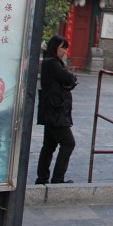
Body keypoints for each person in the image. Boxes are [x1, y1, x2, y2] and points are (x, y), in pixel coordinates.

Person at [35, 34, 77, 185]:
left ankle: (42, 178)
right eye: (62, 48)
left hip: (52, 110)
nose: (64, 51)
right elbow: (69, 78)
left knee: (49, 146)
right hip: (55, 112)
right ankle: (57, 179)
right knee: (68, 143)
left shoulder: (51, 62)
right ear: (55, 47)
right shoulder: (52, 63)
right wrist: (70, 78)